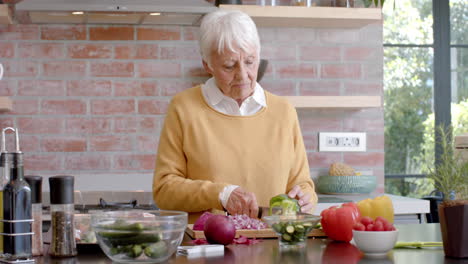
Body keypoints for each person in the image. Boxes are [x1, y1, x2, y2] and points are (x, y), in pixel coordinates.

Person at [152, 9, 317, 223]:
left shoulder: (284, 111)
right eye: (229, 66)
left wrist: (305, 198)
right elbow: (164, 190)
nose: (243, 75)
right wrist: (221, 194)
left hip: (273, 246)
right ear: (207, 65)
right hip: (206, 248)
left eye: (250, 62)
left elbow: (303, 184)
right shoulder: (184, 108)